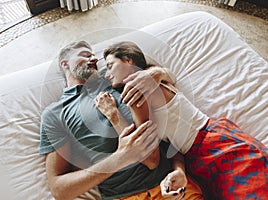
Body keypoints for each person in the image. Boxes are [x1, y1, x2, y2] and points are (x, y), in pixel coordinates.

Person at [96, 41, 268, 199]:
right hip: (214, 139)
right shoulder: (156, 78)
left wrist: (113, 115)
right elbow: (173, 145)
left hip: (212, 147)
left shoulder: (137, 90)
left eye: (110, 66)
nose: (107, 75)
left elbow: (150, 158)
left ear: (128, 60)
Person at [39, 41, 201, 200]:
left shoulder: (119, 81)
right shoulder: (55, 113)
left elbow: (167, 142)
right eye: (85, 55)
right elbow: (59, 190)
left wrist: (158, 73)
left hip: (172, 187)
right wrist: (121, 157)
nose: (94, 59)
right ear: (65, 64)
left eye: (94, 56)